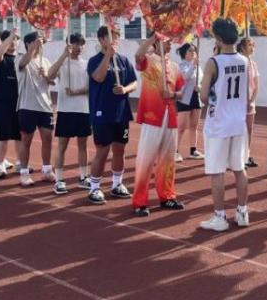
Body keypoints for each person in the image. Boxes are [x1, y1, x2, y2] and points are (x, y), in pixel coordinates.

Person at [198, 18, 250, 232]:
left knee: (217, 172)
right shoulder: (245, 60)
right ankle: (243, 212)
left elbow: (203, 97)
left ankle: (220, 216)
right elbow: (247, 94)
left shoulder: (213, 62)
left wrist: (204, 88)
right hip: (238, 122)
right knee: (239, 168)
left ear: (218, 38)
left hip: (218, 123)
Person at [131, 35, 184, 216]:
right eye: (166, 40)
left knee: (168, 161)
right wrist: (154, 35)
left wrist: (173, 95)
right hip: (152, 117)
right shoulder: (148, 60)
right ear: (157, 42)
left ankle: (167, 196)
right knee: (145, 161)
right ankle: (139, 202)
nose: (170, 43)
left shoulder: (174, 66)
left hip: (171, 117)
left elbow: (182, 91)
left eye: (170, 41)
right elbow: (137, 56)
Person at [86, 25, 138, 205]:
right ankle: (94, 187)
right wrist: (108, 55)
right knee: (102, 150)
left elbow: (134, 82)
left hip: (121, 112)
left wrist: (125, 89)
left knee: (120, 149)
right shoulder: (94, 60)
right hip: (102, 112)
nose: (115, 40)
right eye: (111, 37)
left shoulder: (123, 60)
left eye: (117, 37)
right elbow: (98, 77)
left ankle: (117, 184)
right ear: (102, 40)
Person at [48, 33, 91, 195]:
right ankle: (59, 180)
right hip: (65, 110)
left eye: (81, 44)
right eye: (76, 44)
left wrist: (76, 91)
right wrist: (63, 56)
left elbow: (91, 87)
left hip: (83, 109)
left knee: (83, 145)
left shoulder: (87, 64)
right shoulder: (63, 63)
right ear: (69, 45)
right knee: (62, 145)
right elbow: (50, 75)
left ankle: (83, 177)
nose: (79, 47)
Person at [16, 31, 54, 187]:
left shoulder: (45, 60)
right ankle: (24, 173)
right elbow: (22, 64)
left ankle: (47, 170)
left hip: (45, 106)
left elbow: (52, 81)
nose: (40, 44)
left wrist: (46, 75)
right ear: (28, 43)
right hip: (27, 106)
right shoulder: (21, 58)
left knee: (48, 138)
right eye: (37, 41)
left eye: (41, 42)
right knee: (26, 140)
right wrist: (33, 49)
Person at [0, 30, 21, 178]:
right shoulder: (0, 58)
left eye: (16, 40)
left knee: (19, 136)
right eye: (11, 40)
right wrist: (11, 36)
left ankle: (20, 162)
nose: (13, 42)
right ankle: (0, 164)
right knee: (2, 136)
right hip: (2, 102)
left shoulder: (20, 59)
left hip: (19, 103)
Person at [175, 42, 204, 161]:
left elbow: (201, 81)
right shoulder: (181, 66)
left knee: (194, 125)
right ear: (184, 53)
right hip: (184, 98)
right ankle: (175, 151)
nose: (193, 53)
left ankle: (193, 150)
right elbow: (185, 77)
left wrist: (199, 87)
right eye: (190, 51)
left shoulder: (198, 67)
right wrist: (194, 65)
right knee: (181, 126)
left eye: (194, 50)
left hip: (196, 97)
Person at [237, 37, 260, 168]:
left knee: (249, 129)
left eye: (253, 45)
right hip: (239, 100)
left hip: (250, 101)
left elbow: (256, 85)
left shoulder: (253, 64)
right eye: (249, 45)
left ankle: (246, 155)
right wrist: (243, 100)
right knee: (239, 129)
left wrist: (251, 101)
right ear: (242, 47)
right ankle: (237, 156)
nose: (252, 47)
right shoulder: (239, 62)